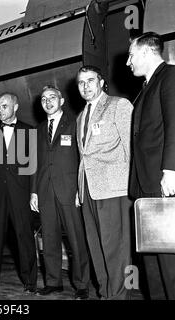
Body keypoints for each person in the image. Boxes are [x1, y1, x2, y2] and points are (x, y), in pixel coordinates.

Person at [126, 32, 175, 300]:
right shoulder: (147, 87)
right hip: (145, 186)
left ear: (147, 52)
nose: (128, 62)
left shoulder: (170, 76)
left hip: (162, 183)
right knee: (152, 262)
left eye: (131, 55)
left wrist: (171, 171)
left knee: (170, 264)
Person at [76, 65, 133, 300]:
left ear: (101, 82)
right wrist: (78, 190)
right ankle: (105, 294)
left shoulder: (119, 105)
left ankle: (120, 296)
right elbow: (84, 156)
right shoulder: (81, 116)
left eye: (90, 80)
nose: (85, 86)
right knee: (97, 247)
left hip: (114, 187)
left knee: (117, 249)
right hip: (88, 189)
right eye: (81, 82)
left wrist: (133, 186)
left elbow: (131, 148)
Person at [30, 85, 90, 299]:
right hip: (45, 192)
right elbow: (35, 163)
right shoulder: (38, 130)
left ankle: (82, 284)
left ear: (61, 101)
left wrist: (80, 188)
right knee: (49, 238)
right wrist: (34, 192)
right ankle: (53, 282)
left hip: (69, 191)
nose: (47, 101)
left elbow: (83, 158)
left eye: (52, 97)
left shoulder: (75, 123)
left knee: (76, 238)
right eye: (44, 98)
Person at [0, 92, 37, 293]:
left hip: (20, 192)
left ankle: (29, 281)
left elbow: (33, 167)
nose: (0, 110)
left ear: (15, 107)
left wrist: (33, 193)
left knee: (24, 235)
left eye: (4, 106)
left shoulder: (29, 131)